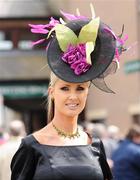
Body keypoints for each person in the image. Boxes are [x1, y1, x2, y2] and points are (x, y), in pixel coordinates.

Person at [10, 4, 127, 180]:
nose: (73, 96)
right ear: (52, 92)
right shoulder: (31, 147)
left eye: (80, 88)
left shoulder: (95, 144)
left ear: (87, 92)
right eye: (65, 88)